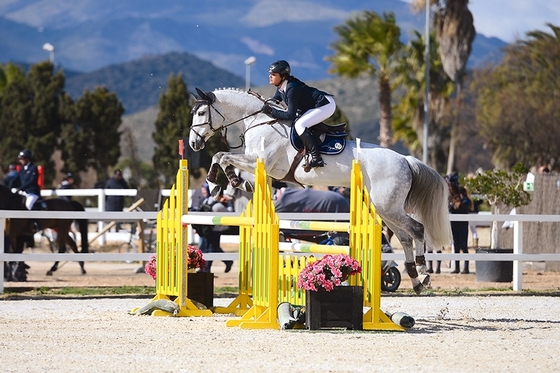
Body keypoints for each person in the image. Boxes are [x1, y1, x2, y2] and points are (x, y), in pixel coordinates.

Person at [262, 60, 336, 168]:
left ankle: (317, 158)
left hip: (325, 105)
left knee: (300, 124)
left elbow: (290, 115)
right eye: (270, 74)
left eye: (273, 74)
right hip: (315, 105)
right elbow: (273, 101)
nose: (270, 76)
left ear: (282, 77)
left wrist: (271, 111)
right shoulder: (281, 87)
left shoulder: (292, 88)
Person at [195, 192, 234, 273]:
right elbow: (230, 213)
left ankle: (206, 268)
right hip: (216, 230)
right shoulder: (218, 206)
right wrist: (229, 202)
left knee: (211, 248)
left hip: (206, 229)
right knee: (213, 249)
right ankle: (226, 261)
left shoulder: (207, 201)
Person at [447, 174, 472, 274]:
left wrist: (456, 203)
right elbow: (450, 208)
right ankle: (456, 267)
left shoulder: (466, 201)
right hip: (454, 225)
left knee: (464, 246)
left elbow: (463, 206)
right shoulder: (452, 201)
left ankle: (466, 267)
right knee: (456, 246)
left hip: (462, 226)